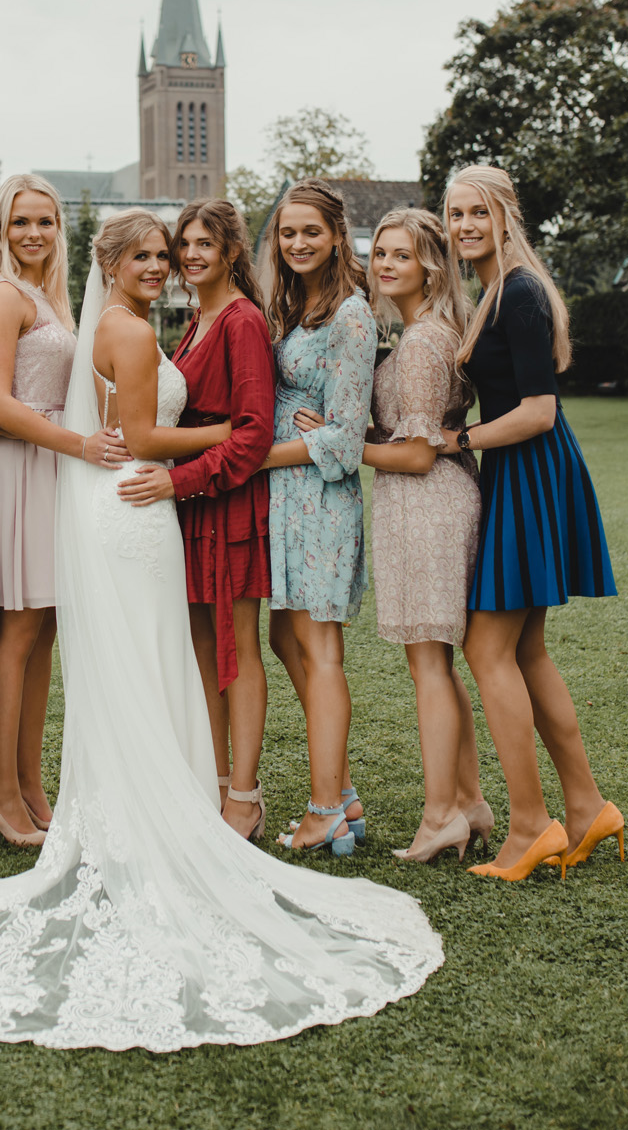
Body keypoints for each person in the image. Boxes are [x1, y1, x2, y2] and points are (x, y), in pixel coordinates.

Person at [0, 210, 445, 1051]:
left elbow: (137, 428)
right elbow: (145, 437)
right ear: (111, 264)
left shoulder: (133, 322)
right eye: (146, 255)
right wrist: (237, 431)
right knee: (146, 659)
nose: (161, 265)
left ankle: (147, 806)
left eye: (167, 254)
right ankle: (148, 813)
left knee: (143, 661)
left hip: (130, 504)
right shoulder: (124, 328)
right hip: (136, 505)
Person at [440, 165, 622, 882]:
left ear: (505, 216)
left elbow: (539, 411)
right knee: (526, 650)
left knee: (488, 649)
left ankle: (528, 827)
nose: (464, 226)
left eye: (477, 212)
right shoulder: (496, 289)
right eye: (455, 214)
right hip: (523, 468)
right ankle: (586, 808)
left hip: (530, 465)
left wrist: (456, 441)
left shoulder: (518, 291)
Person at [0, 174, 129, 847]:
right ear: (1, 230)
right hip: (22, 467)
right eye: (20, 221)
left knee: (45, 629)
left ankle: (30, 784)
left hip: (56, 468)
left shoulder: (50, 298)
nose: (33, 233)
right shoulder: (3, 295)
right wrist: (79, 445)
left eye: (45, 221)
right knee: (16, 630)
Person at [117, 200, 274, 842]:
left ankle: (245, 796)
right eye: (184, 243)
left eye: (204, 243)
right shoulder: (195, 321)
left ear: (231, 251)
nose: (189, 255)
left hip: (228, 501)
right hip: (190, 510)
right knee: (202, 650)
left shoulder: (242, 322)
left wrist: (177, 479)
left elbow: (253, 433)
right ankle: (211, 781)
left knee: (238, 649)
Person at [362, 207, 490, 863]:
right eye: (380, 253)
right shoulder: (431, 331)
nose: (385, 264)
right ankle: (469, 800)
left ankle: (441, 814)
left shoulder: (419, 343)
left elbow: (415, 454)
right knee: (438, 661)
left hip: (426, 503)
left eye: (401, 255)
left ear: (430, 267)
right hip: (439, 498)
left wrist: (341, 446)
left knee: (429, 665)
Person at [259, 180, 374, 857]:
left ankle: (325, 807)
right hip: (288, 497)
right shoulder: (295, 306)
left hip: (322, 500)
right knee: (284, 637)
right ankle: (344, 789)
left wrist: (256, 455)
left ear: (336, 236)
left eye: (311, 231)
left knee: (321, 648)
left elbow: (346, 439)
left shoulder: (352, 315)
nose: (298, 242)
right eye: (287, 232)